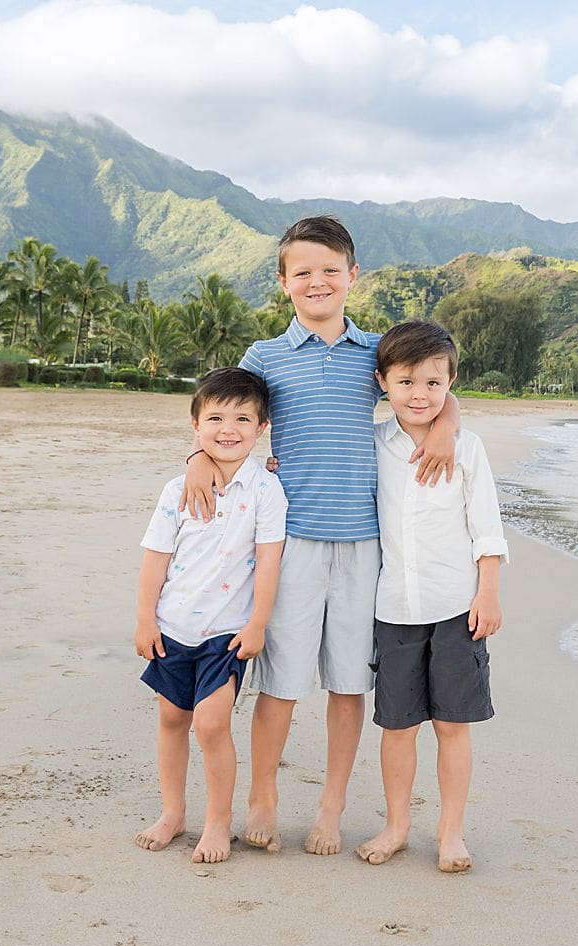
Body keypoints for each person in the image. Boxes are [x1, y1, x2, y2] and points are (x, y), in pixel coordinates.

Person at [180, 215, 459, 856]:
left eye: (331, 269)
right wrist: (196, 460)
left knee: (347, 684)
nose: (318, 281)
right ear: (283, 282)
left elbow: (430, 387)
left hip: (365, 544)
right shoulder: (265, 358)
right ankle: (263, 798)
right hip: (290, 542)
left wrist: (446, 426)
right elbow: (225, 420)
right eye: (303, 271)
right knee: (280, 682)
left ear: (352, 276)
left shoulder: (376, 354)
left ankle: (330, 809)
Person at [355, 319, 508, 874]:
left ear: (450, 385)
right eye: (406, 382)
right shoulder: (372, 446)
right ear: (383, 383)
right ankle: (397, 826)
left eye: (433, 384)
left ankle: (450, 833)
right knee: (396, 726)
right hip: (393, 607)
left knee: (451, 724)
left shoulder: (468, 449)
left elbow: (486, 528)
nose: (419, 394)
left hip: (455, 605)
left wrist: (487, 593)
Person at [134, 367, 285, 864]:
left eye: (243, 419)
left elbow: (268, 562)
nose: (229, 428)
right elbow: (156, 557)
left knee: (211, 723)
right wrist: (144, 618)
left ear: (261, 428)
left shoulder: (265, 491)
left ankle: (218, 821)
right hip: (173, 626)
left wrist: (257, 622)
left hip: (227, 633)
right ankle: (173, 812)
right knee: (172, 717)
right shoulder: (177, 487)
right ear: (196, 425)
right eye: (216, 417)